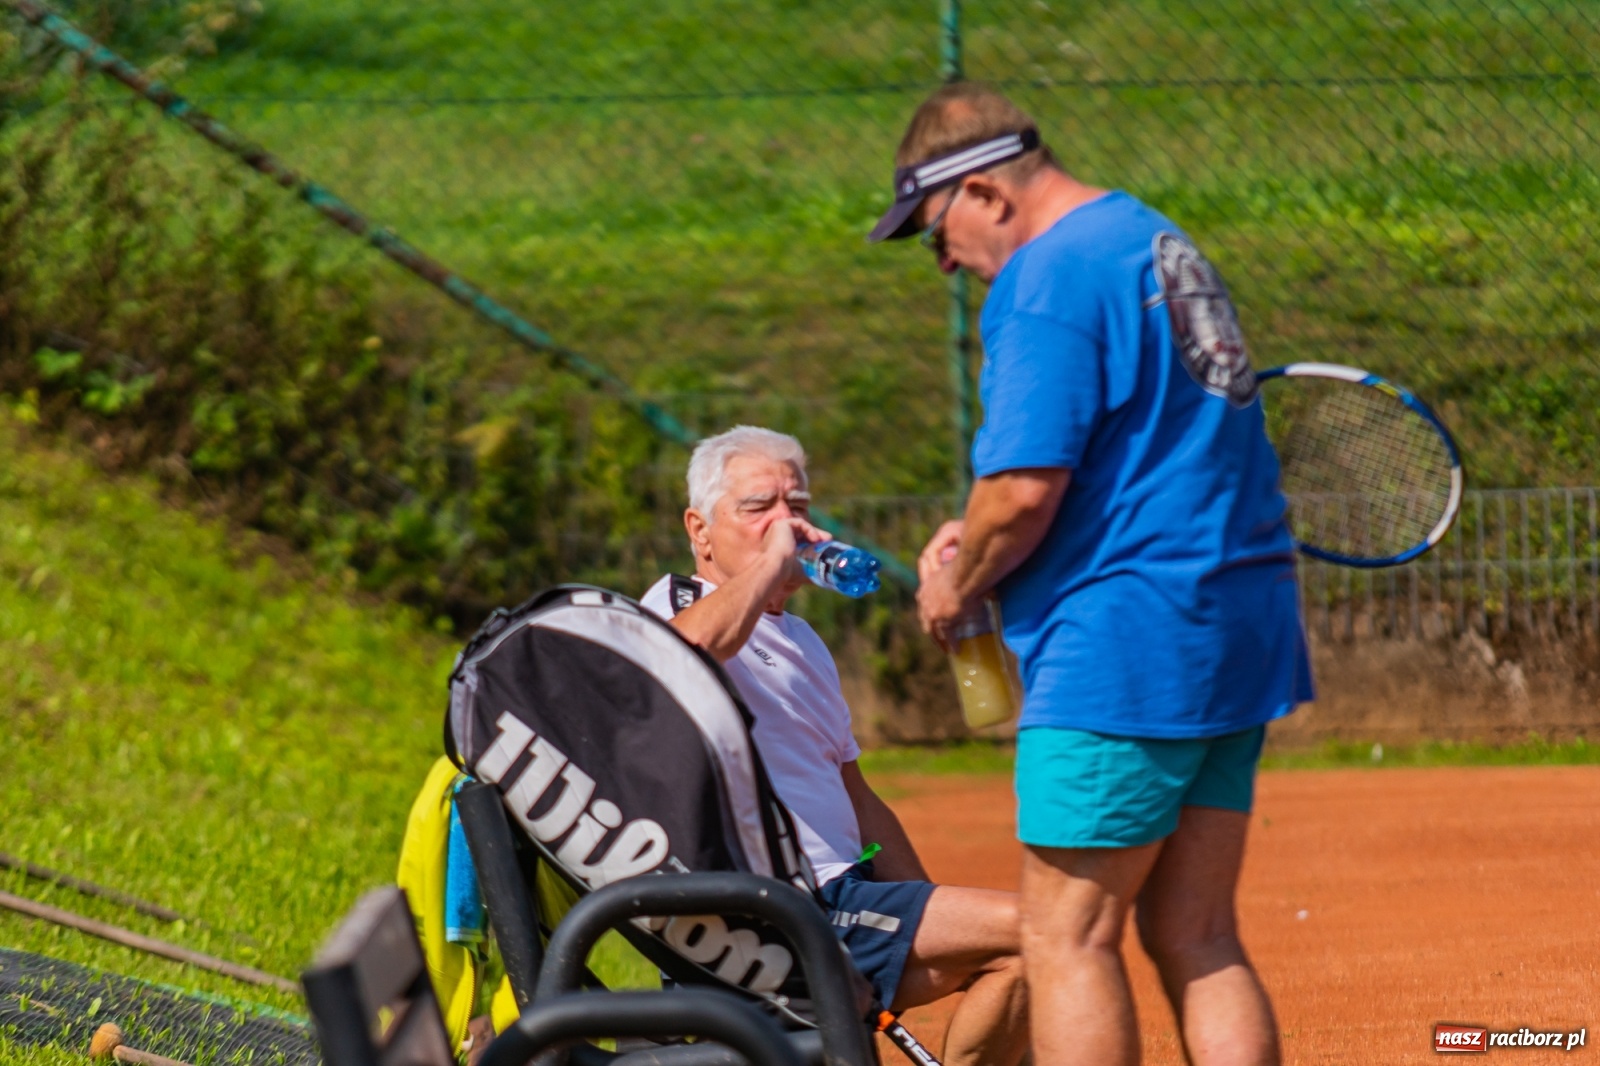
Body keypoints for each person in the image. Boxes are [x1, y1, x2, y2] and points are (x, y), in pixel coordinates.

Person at [871, 84, 1313, 1066]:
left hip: (1125, 639)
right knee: (1197, 931)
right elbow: (1140, 453)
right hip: (1233, 625)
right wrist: (993, 532)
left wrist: (956, 582)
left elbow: (1023, 490)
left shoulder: (1046, 277)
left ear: (983, 192)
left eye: (935, 231)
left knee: (1064, 935)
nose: (942, 260)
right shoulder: (1150, 239)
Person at [638, 425, 1029, 1066]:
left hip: (845, 899)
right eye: (758, 507)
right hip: (773, 911)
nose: (786, 523)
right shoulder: (677, 604)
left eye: (796, 506)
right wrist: (770, 563)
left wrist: (927, 911)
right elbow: (682, 655)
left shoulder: (804, 642)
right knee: (1036, 935)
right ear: (700, 531)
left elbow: (857, 795)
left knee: (1031, 953)